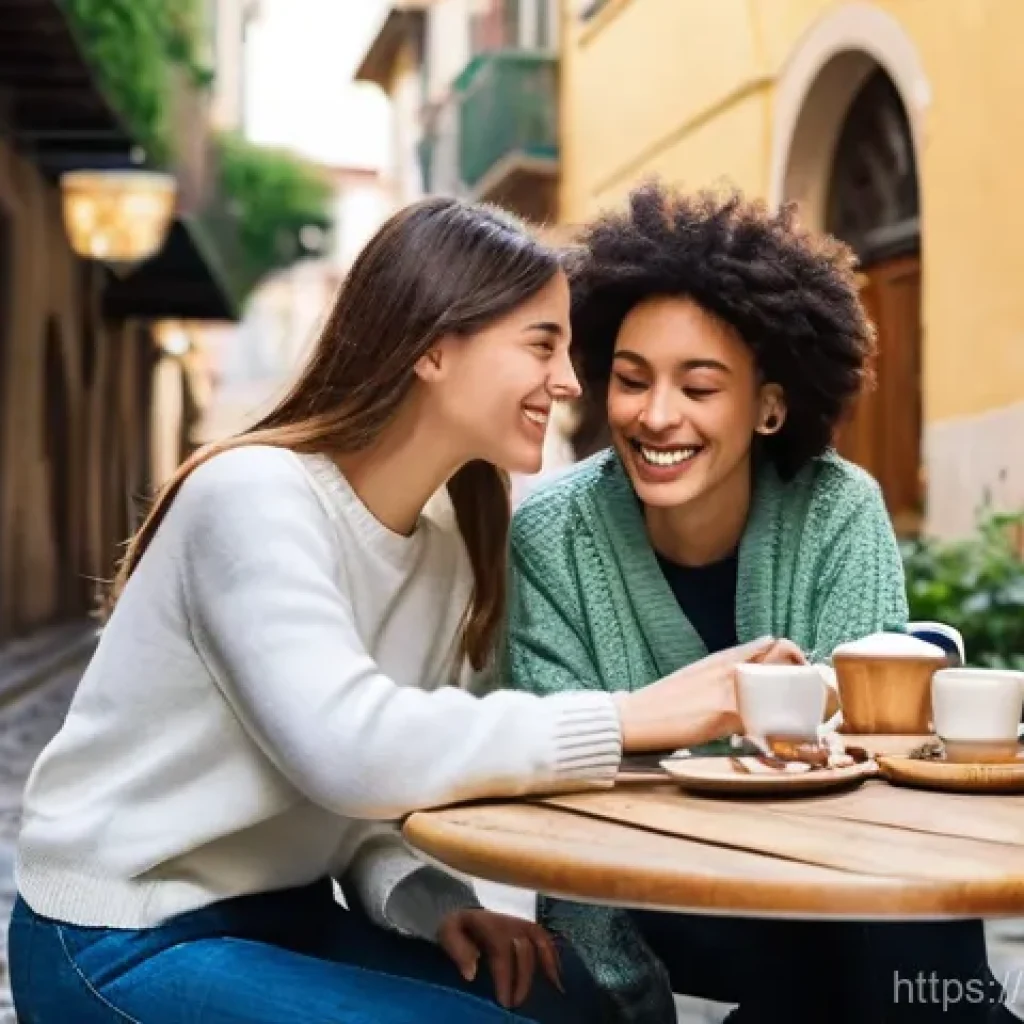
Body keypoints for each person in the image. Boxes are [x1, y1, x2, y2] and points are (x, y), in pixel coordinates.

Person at [8, 196, 786, 1024]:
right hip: (119, 934)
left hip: (286, 913)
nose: (567, 381)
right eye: (541, 345)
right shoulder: (253, 496)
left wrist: (433, 902)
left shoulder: (448, 546)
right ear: (433, 347)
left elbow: (362, 803)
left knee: (574, 1002)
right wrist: (629, 719)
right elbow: (349, 749)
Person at [503, 182, 1013, 1023]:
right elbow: (566, 807)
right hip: (661, 898)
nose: (655, 416)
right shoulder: (554, 537)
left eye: (699, 388)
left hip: (835, 898)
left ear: (769, 404)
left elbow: (870, 775)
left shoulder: (838, 509)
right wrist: (629, 1001)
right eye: (631, 381)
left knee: (906, 952)